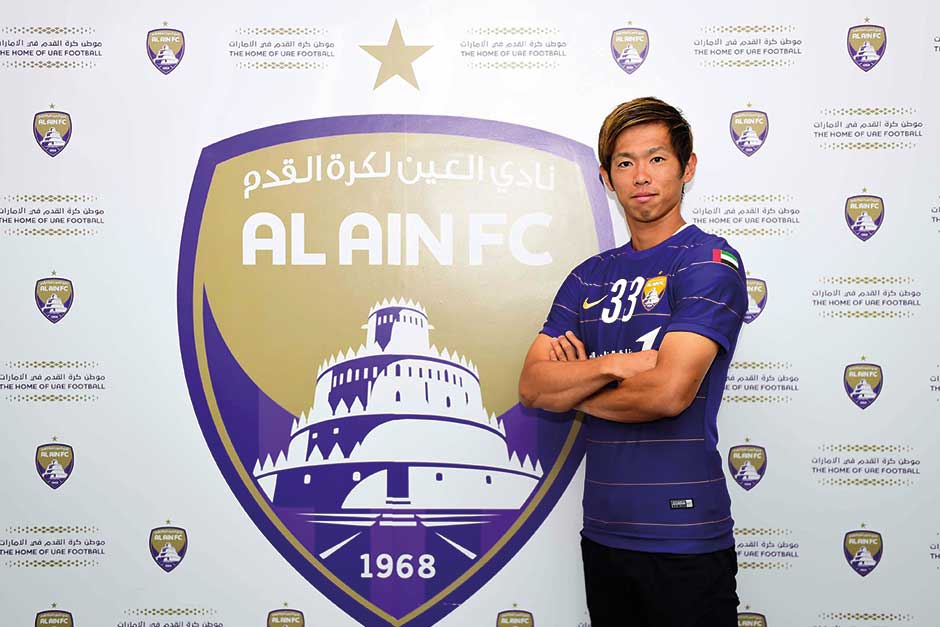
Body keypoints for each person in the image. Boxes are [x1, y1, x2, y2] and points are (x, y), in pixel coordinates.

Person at [518, 97, 747, 627]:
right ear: (606, 177)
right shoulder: (588, 276)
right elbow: (533, 386)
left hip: (685, 537)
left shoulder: (709, 261)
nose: (641, 175)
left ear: (687, 168)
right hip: (604, 533)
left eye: (657, 158)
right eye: (625, 162)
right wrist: (618, 365)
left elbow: (668, 393)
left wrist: (574, 390)